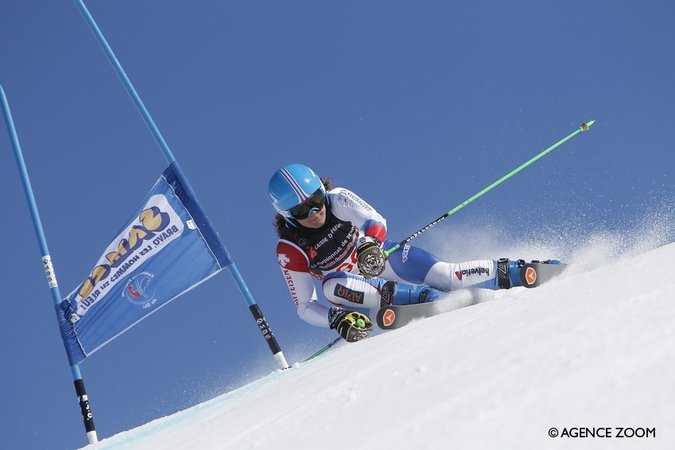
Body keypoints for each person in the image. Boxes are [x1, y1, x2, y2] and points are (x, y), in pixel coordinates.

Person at [269, 163, 555, 343]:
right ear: (287, 215)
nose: (314, 212)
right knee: (332, 286)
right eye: (301, 211)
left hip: (380, 258)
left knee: (447, 274)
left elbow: (376, 220)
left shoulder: (338, 199)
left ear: (322, 191)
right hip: (353, 289)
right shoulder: (290, 249)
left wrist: (369, 242)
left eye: (316, 201)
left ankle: (521, 271)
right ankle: (427, 300)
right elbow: (304, 305)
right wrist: (334, 318)